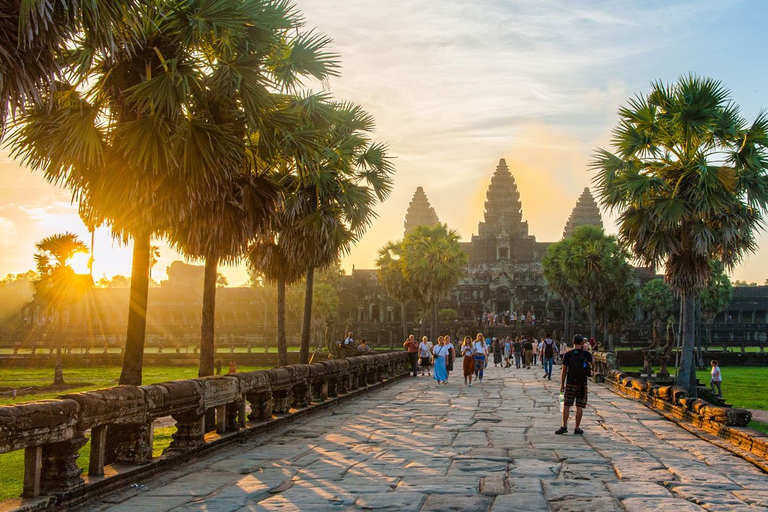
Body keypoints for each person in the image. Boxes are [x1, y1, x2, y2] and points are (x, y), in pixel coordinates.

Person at [557, 335, 593, 435]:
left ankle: (564, 426)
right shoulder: (586, 354)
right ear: (582, 343)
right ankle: (577, 428)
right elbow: (592, 365)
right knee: (579, 406)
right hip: (582, 383)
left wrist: (562, 385)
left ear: (573, 342)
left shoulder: (568, 354)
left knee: (567, 405)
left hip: (570, 382)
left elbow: (564, 371)